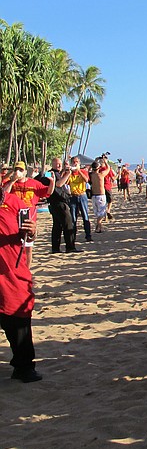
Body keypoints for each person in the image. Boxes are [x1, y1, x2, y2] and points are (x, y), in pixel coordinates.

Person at [0, 188, 42, 382]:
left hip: (11, 273)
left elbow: (27, 238)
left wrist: (32, 232)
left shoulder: (14, 203)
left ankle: (24, 366)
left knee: (18, 320)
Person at [3, 161, 53, 267]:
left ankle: (27, 268)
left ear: (25, 171)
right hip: (12, 220)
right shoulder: (9, 182)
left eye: (21, 170)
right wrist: (12, 181)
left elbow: (48, 192)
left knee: (28, 247)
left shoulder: (33, 183)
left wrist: (52, 182)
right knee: (13, 247)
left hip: (28, 219)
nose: (18, 172)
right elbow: (4, 196)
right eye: (16, 169)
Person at [42, 158, 78, 254]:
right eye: (57, 164)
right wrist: (67, 174)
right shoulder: (49, 173)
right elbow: (58, 184)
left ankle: (55, 248)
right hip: (58, 202)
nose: (59, 165)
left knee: (57, 226)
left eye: (60, 164)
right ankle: (70, 247)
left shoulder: (54, 173)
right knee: (68, 224)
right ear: (52, 164)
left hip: (56, 203)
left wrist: (63, 173)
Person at [67, 156, 92, 243]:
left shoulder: (83, 171)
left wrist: (79, 171)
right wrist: (69, 171)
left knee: (85, 215)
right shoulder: (70, 173)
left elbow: (86, 180)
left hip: (82, 195)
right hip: (73, 195)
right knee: (73, 218)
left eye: (77, 162)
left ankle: (88, 235)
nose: (75, 163)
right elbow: (66, 182)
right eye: (74, 162)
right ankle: (72, 236)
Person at [89, 159, 110, 233]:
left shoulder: (91, 175)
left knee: (97, 213)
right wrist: (105, 162)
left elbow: (89, 169)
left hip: (94, 195)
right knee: (101, 213)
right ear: (98, 168)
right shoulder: (101, 175)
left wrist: (95, 161)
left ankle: (100, 228)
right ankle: (97, 226)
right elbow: (108, 169)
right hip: (101, 195)